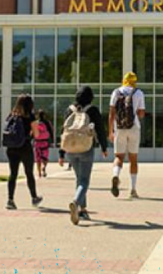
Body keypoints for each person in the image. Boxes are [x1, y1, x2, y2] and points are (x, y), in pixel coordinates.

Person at [63, 86, 108, 225]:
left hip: (71, 149)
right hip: (86, 148)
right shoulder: (92, 110)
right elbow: (100, 129)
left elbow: (63, 130)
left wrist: (61, 152)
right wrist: (104, 147)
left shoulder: (69, 110)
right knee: (84, 181)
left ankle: (83, 210)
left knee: (79, 179)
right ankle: (76, 203)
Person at [108, 72, 146, 199]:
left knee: (119, 156)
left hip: (119, 128)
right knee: (133, 159)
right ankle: (133, 189)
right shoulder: (138, 92)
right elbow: (141, 113)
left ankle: (116, 175)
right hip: (134, 127)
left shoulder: (116, 92)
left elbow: (111, 114)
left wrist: (110, 131)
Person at [3, 93, 43, 210]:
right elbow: (36, 134)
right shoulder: (30, 117)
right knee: (29, 173)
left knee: (13, 174)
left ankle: (10, 200)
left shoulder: (12, 115)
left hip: (11, 148)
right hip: (25, 147)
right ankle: (34, 198)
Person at [34, 110, 53, 178]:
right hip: (45, 142)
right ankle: (44, 167)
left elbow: (32, 132)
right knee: (45, 157)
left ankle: (39, 173)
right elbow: (51, 132)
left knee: (38, 158)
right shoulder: (47, 123)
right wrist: (52, 141)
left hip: (37, 142)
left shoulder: (36, 123)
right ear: (44, 115)